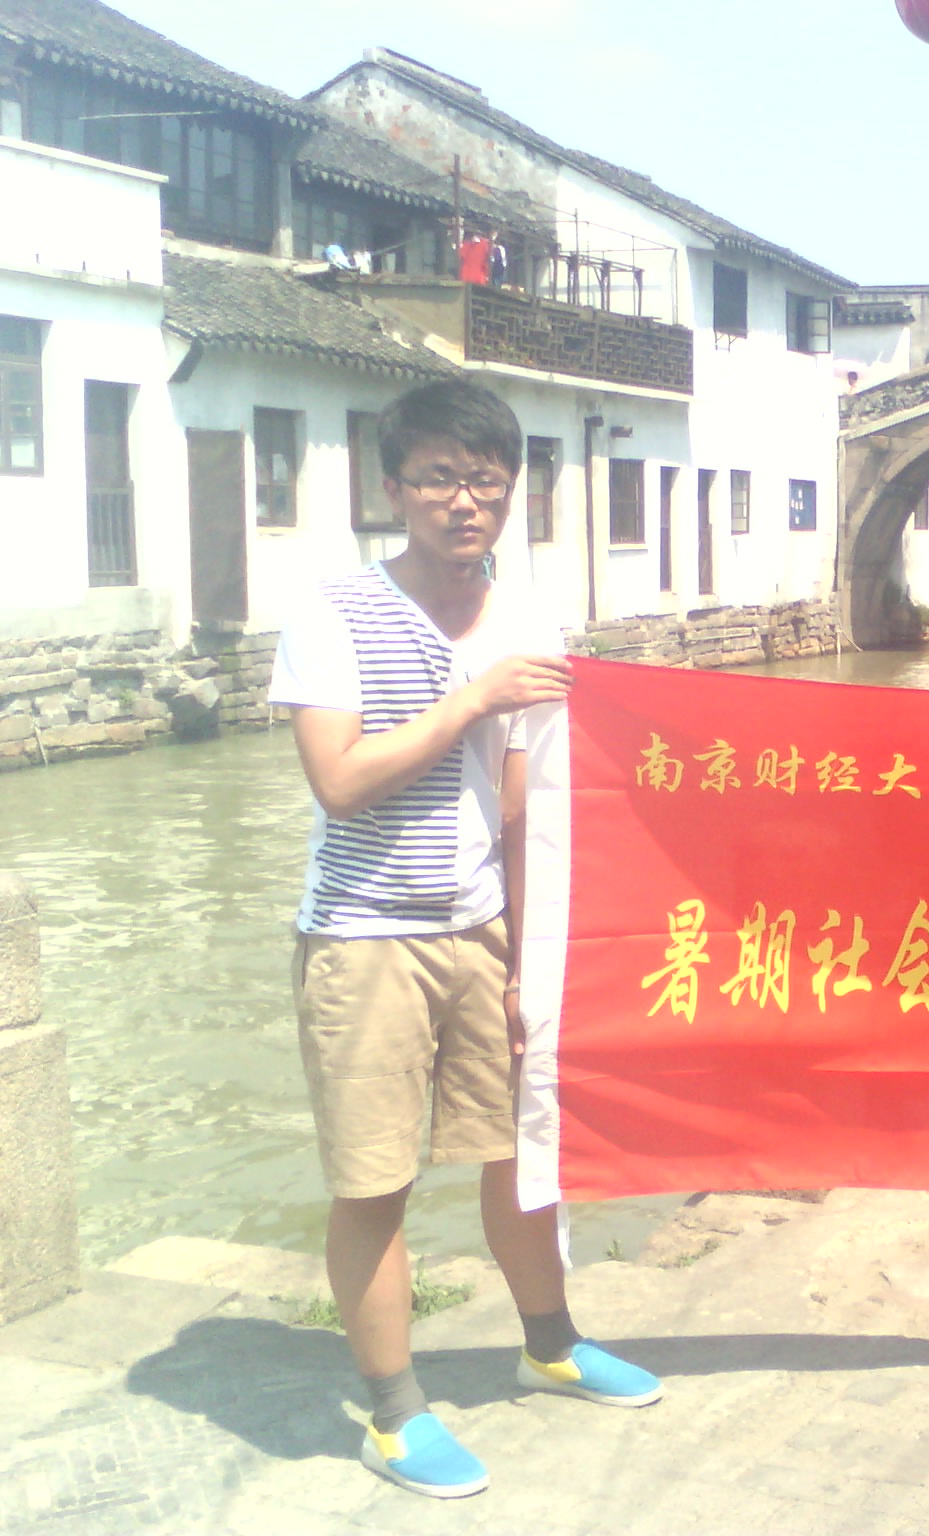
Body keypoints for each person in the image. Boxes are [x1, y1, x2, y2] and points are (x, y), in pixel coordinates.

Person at [267, 379, 661, 1500]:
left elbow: (527, 808)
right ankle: (395, 1413)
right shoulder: (334, 613)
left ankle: (550, 1345)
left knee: (520, 1150)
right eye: (438, 477)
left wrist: (533, 967)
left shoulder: (526, 623)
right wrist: (471, 701)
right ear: (393, 489)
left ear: (510, 492)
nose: (464, 500)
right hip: (363, 939)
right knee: (374, 1182)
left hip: (484, 930)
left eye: (485, 480)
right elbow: (341, 782)